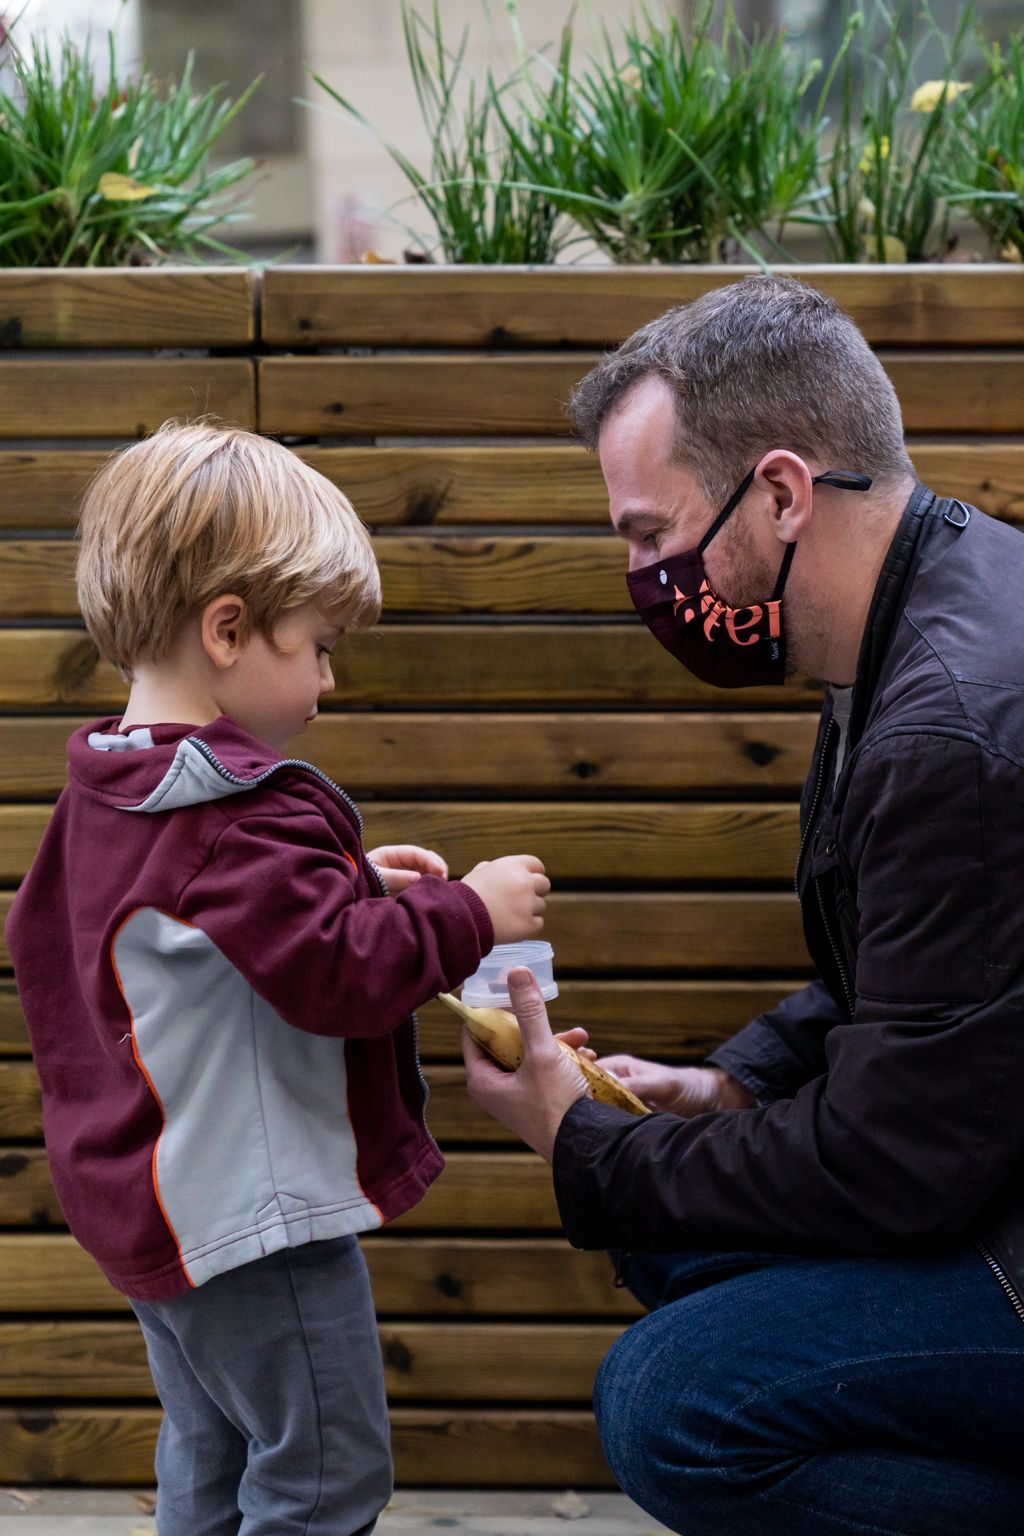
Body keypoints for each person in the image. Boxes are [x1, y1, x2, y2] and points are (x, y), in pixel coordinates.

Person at [462, 275, 1024, 1536]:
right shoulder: (923, 610)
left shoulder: (943, 729)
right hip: (989, 1169)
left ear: (778, 494)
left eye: (649, 534)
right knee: (676, 1237)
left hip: (991, 1216)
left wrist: (582, 1143)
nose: (642, 576)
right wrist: (729, 1086)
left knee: (671, 1404)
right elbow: (928, 984)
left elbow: (890, 1167)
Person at [4, 420, 552, 1536]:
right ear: (227, 629)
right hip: (254, 1221)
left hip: (155, 1203)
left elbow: (197, 938)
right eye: (318, 646)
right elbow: (335, 977)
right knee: (324, 1475)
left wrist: (349, 881)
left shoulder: (112, 791)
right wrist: (469, 912)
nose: (329, 680)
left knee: (211, 1457)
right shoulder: (236, 809)